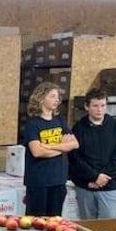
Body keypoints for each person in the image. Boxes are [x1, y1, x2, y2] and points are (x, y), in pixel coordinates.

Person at [21, 82, 79, 216]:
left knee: (55, 221)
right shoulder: (33, 124)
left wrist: (50, 146)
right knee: (36, 221)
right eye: (52, 96)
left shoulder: (60, 121)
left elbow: (75, 144)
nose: (57, 100)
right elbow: (37, 152)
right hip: (38, 182)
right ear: (41, 98)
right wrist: (63, 148)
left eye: (57, 97)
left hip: (58, 181)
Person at [69, 88, 116, 219]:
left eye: (103, 105)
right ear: (86, 106)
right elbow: (75, 158)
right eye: (95, 106)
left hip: (109, 186)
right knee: (87, 228)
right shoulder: (78, 128)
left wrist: (102, 179)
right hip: (86, 186)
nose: (99, 109)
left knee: (107, 228)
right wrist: (94, 177)